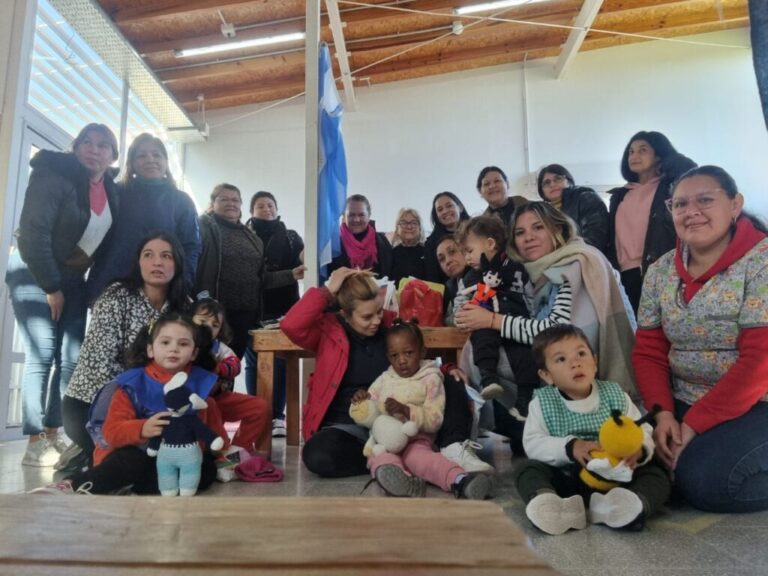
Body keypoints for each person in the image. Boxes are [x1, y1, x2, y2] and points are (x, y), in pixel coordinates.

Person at [633, 166, 768, 513]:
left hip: (756, 402)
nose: (691, 212)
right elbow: (649, 351)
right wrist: (662, 415)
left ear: (735, 204)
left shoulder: (761, 262)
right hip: (685, 396)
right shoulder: (661, 270)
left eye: (705, 200)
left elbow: (759, 361)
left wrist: (693, 425)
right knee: (630, 455)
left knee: (707, 482)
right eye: (679, 205)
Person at [455, 202, 636, 451]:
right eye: (519, 232)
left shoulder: (576, 265)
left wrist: (491, 321)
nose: (528, 237)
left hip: (589, 380)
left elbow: (556, 333)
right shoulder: (533, 276)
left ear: (557, 229)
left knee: (487, 347)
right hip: (558, 378)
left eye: (538, 227)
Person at [281, 267, 491, 478]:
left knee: (452, 379)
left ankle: (452, 448)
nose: (376, 320)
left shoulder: (391, 325)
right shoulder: (327, 331)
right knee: (317, 456)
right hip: (348, 426)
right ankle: (395, 457)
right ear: (345, 314)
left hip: (398, 418)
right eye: (367, 317)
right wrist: (327, 291)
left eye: (379, 311)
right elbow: (291, 325)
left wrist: (446, 369)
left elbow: (416, 352)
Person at [5, 123, 120, 467]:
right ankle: (34, 439)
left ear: (113, 156)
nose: (94, 149)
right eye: (87, 141)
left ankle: (57, 432)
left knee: (70, 358)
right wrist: (51, 287)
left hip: (73, 278)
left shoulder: (110, 190)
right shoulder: (53, 174)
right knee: (42, 355)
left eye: (103, 145)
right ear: (76, 147)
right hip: (33, 271)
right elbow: (33, 234)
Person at [34, 313, 222, 495]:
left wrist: (215, 448)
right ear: (150, 349)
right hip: (132, 453)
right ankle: (75, 484)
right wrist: (142, 429)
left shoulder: (200, 385)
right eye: (165, 342)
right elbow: (111, 432)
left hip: (174, 459)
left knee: (206, 470)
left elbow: (214, 435)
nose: (174, 349)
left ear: (194, 353)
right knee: (130, 462)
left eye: (183, 344)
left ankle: (131, 484)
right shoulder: (131, 385)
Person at [515, 325, 669, 535]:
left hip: (617, 478)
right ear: (546, 375)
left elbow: (642, 429)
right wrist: (570, 447)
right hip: (569, 477)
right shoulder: (542, 403)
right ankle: (551, 505)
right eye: (561, 359)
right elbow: (533, 443)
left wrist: (639, 449)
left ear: (594, 362)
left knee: (657, 472)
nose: (575, 362)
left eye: (581, 353)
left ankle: (630, 505)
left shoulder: (615, 395)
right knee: (527, 470)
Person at [61, 232, 189, 463]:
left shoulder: (183, 307)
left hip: (151, 407)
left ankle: (91, 453)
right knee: (134, 462)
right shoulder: (116, 297)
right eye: (148, 255)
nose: (157, 262)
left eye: (166, 256)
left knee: (178, 454)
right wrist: (139, 411)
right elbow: (101, 366)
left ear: (177, 264)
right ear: (139, 262)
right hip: (94, 405)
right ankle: (87, 449)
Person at [350, 320, 492, 499]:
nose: (401, 361)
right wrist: (362, 399)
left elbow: (435, 419)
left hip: (417, 441)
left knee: (424, 462)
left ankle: (461, 480)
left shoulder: (431, 379)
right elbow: (370, 408)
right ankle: (401, 482)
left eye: (408, 353)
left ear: (422, 352)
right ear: (388, 357)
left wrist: (407, 411)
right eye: (394, 356)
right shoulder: (385, 379)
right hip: (384, 443)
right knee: (379, 460)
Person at [86, 133, 201, 302]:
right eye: (142, 155)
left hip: (160, 290)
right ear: (131, 163)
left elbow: (191, 246)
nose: (150, 159)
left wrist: (182, 284)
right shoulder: (115, 192)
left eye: (157, 155)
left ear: (166, 162)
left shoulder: (181, 201)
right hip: (111, 286)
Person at [196, 183, 305, 359]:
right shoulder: (202, 228)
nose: (230, 203)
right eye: (223, 199)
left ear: (240, 205)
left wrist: (291, 275)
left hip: (247, 316)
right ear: (213, 202)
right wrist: (199, 301)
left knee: (230, 367)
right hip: (214, 314)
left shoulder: (251, 237)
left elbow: (261, 279)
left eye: (235, 199)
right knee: (205, 365)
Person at [454, 216, 537, 414]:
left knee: (525, 355)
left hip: (515, 324)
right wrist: (462, 316)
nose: (466, 258)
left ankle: (525, 400)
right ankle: (488, 378)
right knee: (481, 339)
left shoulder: (516, 269)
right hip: (485, 324)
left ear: (490, 244)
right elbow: (460, 303)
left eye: (470, 251)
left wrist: (531, 321)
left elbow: (530, 298)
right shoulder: (470, 277)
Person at [606, 131, 696, 313]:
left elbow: (690, 171)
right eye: (630, 151)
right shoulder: (620, 195)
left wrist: (669, 159)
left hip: (661, 269)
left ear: (659, 155)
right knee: (636, 331)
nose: (634, 156)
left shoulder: (670, 188)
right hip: (625, 274)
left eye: (643, 150)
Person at [244, 190, 304, 437]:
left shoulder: (291, 237)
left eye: (270, 204)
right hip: (252, 307)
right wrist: (289, 274)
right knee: (253, 363)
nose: (266, 209)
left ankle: (277, 416)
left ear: (277, 209)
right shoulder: (245, 237)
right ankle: (255, 415)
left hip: (285, 309)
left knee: (281, 362)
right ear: (252, 211)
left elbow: (304, 260)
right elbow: (255, 280)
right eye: (260, 206)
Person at [191, 298, 269, 465]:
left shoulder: (219, 348)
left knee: (260, 406)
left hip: (220, 399)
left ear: (220, 329)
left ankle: (239, 450)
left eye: (215, 325)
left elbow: (235, 364)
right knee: (208, 405)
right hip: (195, 403)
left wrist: (219, 368)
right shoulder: (184, 342)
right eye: (202, 321)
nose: (208, 327)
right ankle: (209, 455)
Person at [536, 164, 609, 255]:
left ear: (569, 181)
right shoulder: (541, 214)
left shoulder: (586, 198)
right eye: (546, 183)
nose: (552, 184)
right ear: (542, 191)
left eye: (558, 179)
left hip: (585, 260)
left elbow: (595, 239)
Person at [326, 194, 392, 280]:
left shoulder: (382, 241)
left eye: (361, 215)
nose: (356, 219)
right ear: (344, 216)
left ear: (369, 216)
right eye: (351, 215)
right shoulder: (334, 244)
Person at [423, 192, 470, 283]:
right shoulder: (431, 244)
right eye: (440, 210)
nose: (445, 211)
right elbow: (433, 278)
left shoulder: (476, 230)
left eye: (449, 206)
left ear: (460, 207)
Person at [435, 235, 470, 326]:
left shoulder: (482, 278)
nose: (447, 261)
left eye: (452, 252)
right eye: (441, 259)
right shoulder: (451, 285)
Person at [389, 208, 426, 286]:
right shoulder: (390, 253)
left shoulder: (428, 251)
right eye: (403, 223)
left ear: (420, 227)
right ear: (397, 228)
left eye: (414, 222)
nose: (409, 227)